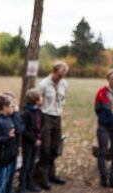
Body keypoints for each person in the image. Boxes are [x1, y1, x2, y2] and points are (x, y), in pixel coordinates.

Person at [37, 61, 68, 190]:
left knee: (55, 147)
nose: (62, 77)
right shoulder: (43, 84)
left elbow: (63, 98)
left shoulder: (64, 83)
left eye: (64, 75)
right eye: (60, 74)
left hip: (57, 116)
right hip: (46, 116)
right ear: (54, 71)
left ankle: (52, 173)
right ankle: (43, 177)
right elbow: (38, 102)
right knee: (45, 148)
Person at [94, 69, 113, 189]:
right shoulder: (101, 92)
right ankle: (103, 176)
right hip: (103, 126)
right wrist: (104, 118)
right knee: (102, 151)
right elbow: (97, 109)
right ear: (108, 79)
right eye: (112, 78)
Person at [18, 89, 43, 193]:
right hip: (28, 142)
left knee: (32, 163)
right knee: (26, 163)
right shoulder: (26, 113)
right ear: (36, 100)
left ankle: (30, 183)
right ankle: (22, 185)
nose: (42, 99)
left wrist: (40, 138)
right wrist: (33, 140)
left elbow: (41, 126)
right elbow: (23, 130)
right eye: (40, 97)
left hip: (37, 141)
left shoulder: (38, 111)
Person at [0, 94, 17, 193]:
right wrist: (8, 137)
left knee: (6, 180)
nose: (13, 108)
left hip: (9, 156)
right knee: (1, 182)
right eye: (11, 106)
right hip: (1, 159)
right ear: (4, 108)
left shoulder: (9, 118)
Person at [1, 92, 24, 193]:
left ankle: (9, 190)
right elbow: (18, 129)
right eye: (12, 104)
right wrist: (15, 114)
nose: (14, 106)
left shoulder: (14, 115)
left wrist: (16, 113)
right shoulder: (3, 118)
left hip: (13, 151)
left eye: (15, 103)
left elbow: (21, 128)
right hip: (5, 154)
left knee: (11, 174)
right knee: (5, 177)